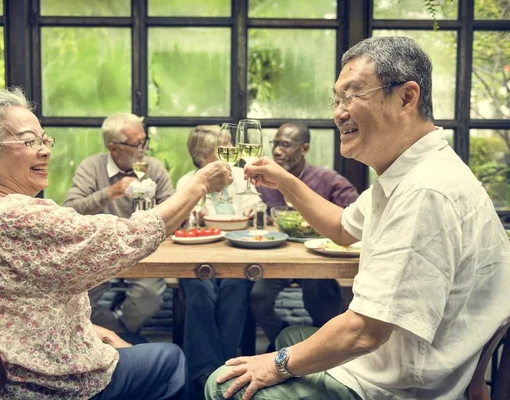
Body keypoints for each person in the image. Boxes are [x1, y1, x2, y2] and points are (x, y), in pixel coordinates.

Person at [206, 36, 510, 400]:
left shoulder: (426, 191)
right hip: (397, 361)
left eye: (352, 95)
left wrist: (274, 365)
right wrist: (285, 181)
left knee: (224, 383)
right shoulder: (408, 172)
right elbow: (342, 228)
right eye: (337, 98)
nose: (338, 112)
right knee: (290, 336)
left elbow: (363, 333)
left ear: (406, 98)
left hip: (401, 385)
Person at [0, 88, 233, 399]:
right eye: (28, 141)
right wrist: (200, 184)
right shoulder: (12, 215)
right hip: (44, 384)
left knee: (134, 343)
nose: (45, 150)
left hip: (7, 369)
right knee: (170, 360)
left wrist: (86, 331)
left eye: (44, 140)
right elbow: (127, 239)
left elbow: (11, 303)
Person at [63, 113, 173, 339]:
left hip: (145, 252)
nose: (144, 150)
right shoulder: (92, 167)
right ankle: (126, 337)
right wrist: (109, 193)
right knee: (78, 303)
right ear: (114, 148)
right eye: (137, 144)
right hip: (101, 252)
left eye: (145, 142)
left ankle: (122, 335)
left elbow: (172, 206)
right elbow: (70, 209)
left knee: (149, 296)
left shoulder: (152, 167)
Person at [250, 122, 359, 351]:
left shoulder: (328, 179)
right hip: (276, 257)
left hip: (317, 256)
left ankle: (323, 348)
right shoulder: (263, 181)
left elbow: (354, 213)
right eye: (276, 144)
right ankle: (282, 339)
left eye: (286, 145)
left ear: (304, 149)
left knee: (320, 294)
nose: (278, 151)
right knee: (258, 297)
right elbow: (251, 211)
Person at [175, 126, 258, 398]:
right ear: (201, 155)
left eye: (230, 145)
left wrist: (252, 207)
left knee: (236, 289)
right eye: (223, 146)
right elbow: (181, 221)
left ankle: (217, 372)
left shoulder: (239, 176)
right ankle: (211, 374)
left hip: (237, 254)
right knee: (199, 291)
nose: (231, 150)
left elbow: (256, 203)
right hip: (200, 254)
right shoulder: (188, 181)